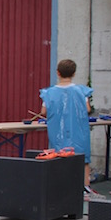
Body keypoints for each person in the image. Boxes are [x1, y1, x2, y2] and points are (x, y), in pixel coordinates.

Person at [39, 59, 94, 192]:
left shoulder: (48, 93)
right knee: (83, 159)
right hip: (78, 131)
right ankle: (85, 188)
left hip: (57, 131)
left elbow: (43, 112)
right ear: (74, 73)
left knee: (58, 157)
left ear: (57, 73)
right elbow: (87, 109)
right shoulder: (81, 91)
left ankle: (59, 188)